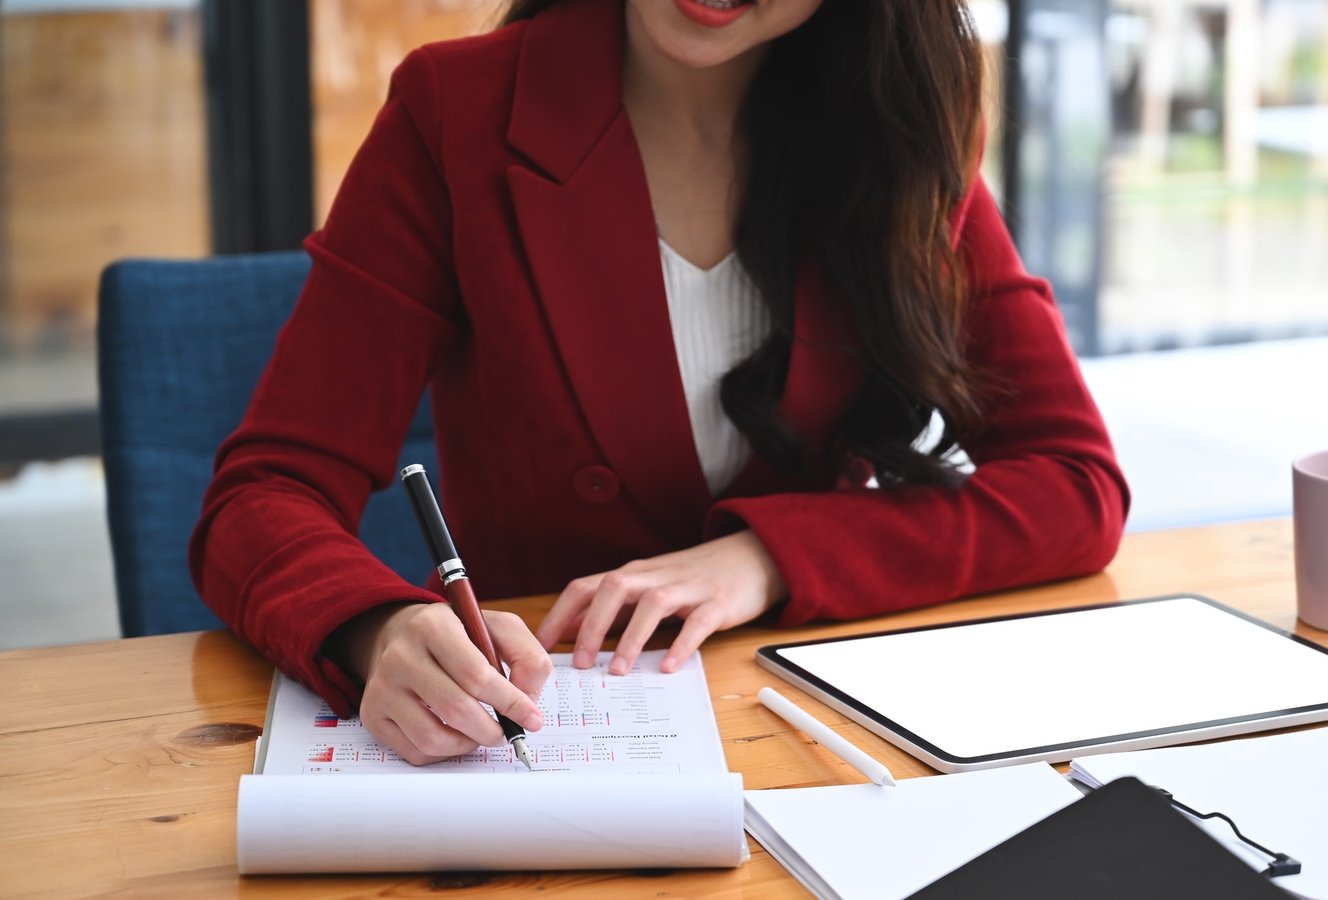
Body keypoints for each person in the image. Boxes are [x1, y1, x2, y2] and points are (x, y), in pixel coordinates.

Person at [190, 0, 1130, 767]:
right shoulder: (455, 111)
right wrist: (378, 629)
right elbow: (262, 495)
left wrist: (766, 558)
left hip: (814, 738)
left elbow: (1074, 482)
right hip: (539, 739)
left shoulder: (895, 128)